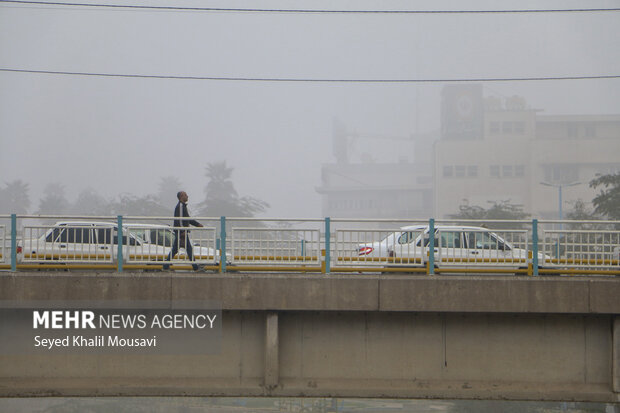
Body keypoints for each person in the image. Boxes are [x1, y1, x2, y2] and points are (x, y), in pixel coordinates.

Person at [163, 191, 203, 271]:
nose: (187, 196)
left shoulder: (182, 206)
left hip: (181, 232)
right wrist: (182, 231)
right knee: (188, 249)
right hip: (181, 232)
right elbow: (180, 220)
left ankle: (166, 266)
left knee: (176, 249)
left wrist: (197, 224)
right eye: (185, 195)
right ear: (181, 196)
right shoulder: (181, 206)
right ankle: (195, 267)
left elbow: (187, 219)